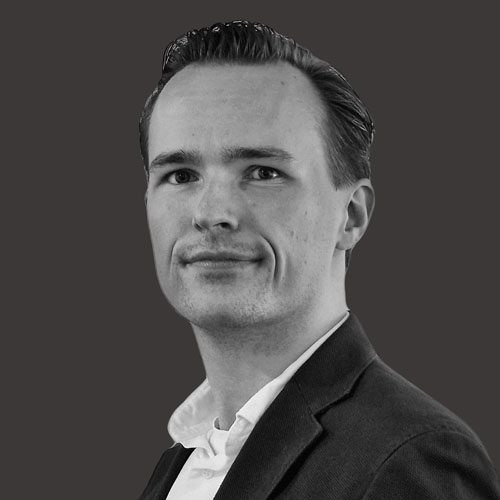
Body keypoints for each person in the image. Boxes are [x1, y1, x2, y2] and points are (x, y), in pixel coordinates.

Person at [137, 20, 500, 500]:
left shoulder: (411, 460)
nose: (210, 214)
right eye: (181, 175)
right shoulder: (186, 462)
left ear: (350, 216)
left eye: (263, 172)